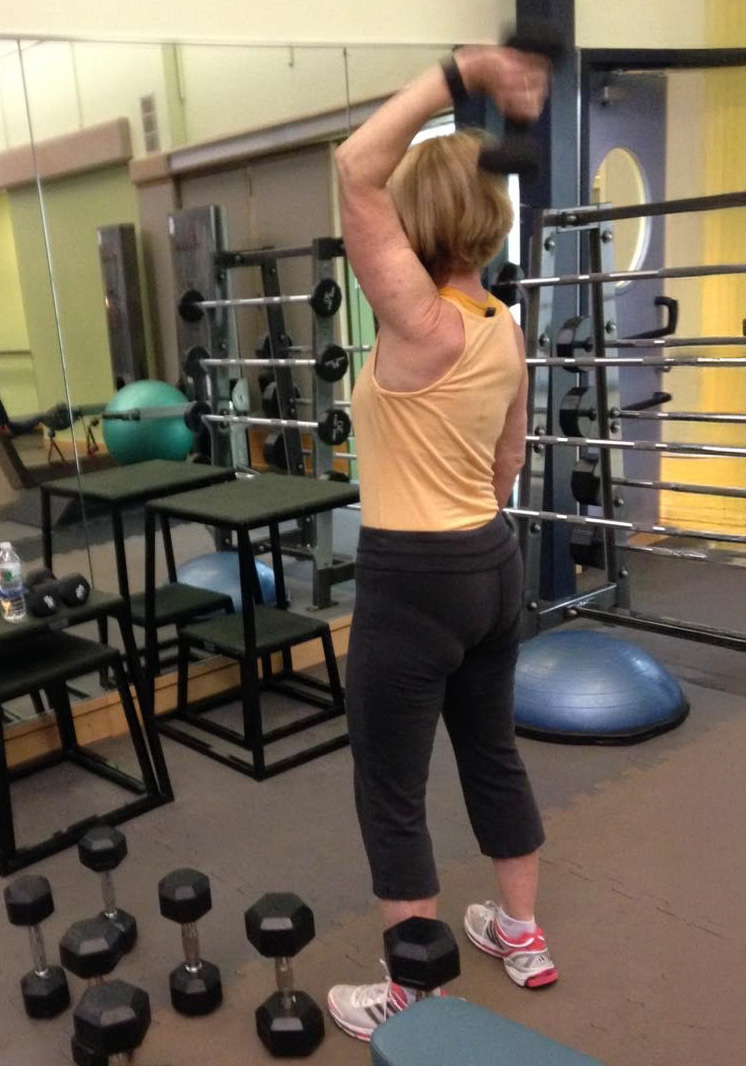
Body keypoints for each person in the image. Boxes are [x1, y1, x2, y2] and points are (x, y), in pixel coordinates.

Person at [325, 45, 556, 1042]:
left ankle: (410, 999)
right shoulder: (501, 325)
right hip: (489, 563)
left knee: (390, 791)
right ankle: (521, 931)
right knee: (491, 754)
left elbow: (351, 166)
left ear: (419, 221)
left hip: (411, 578)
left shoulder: (417, 323)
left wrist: (458, 74)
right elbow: (507, 462)